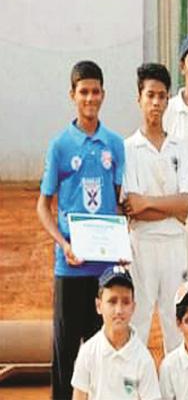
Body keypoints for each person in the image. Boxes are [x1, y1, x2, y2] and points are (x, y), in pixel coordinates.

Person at [36, 60, 125, 400]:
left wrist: (120, 246)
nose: (90, 98)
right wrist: (64, 243)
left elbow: (117, 204)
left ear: (104, 94)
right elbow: (43, 207)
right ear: (72, 95)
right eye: (83, 91)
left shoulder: (114, 145)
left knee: (101, 352)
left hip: (103, 272)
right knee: (66, 356)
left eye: (96, 91)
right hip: (69, 267)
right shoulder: (60, 146)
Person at [122, 63, 188, 352]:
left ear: (168, 100)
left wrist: (148, 201)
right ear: (139, 98)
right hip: (141, 245)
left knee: (175, 323)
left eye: (161, 96)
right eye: (150, 95)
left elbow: (187, 203)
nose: (155, 102)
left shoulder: (181, 148)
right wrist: (168, 207)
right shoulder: (127, 149)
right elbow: (132, 208)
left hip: (176, 245)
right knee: (137, 322)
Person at [71, 266, 161, 400]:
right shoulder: (88, 352)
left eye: (125, 302)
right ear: (98, 306)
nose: (119, 310)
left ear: (133, 307)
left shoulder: (144, 359)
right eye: (112, 302)